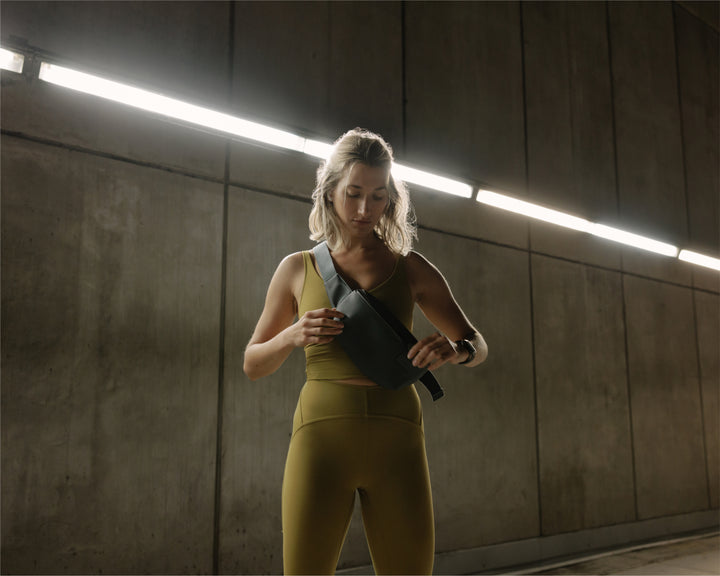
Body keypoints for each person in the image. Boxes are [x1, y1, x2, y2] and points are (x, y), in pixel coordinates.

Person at [243, 128, 488, 575]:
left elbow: (476, 343)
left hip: (398, 438)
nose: (363, 209)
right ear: (330, 191)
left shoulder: (411, 267)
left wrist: (455, 351)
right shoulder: (298, 268)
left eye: (377, 196)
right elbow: (252, 363)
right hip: (321, 439)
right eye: (353, 193)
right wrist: (291, 335)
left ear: (391, 199)